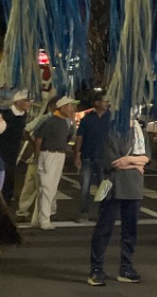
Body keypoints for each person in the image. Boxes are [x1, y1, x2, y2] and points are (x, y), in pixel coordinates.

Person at [87, 113, 150, 285]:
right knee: (104, 229)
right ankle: (96, 269)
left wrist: (129, 160)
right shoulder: (112, 129)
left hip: (134, 187)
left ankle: (126, 267)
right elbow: (114, 162)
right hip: (114, 186)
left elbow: (146, 158)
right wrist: (137, 163)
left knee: (130, 231)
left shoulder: (140, 131)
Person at [32, 95, 77, 230]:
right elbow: (38, 139)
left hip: (59, 155)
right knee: (47, 188)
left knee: (49, 188)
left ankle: (38, 218)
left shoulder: (66, 122)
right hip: (48, 154)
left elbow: (68, 136)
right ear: (62, 107)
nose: (72, 108)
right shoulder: (49, 121)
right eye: (69, 106)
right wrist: (37, 155)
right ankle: (44, 219)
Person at [15, 98, 57, 221]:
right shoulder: (45, 119)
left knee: (44, 183)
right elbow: (26, 130)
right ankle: (25, 211)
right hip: (40, 155)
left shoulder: (62, 120)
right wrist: (34, 146)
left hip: (50, 155)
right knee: (34, 183)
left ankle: (48, 210)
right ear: (52, 106)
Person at [75, 90, 112, 222]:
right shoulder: (87, 118)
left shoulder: (111, 118)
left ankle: (103, 213)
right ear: (96, 103)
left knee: (104, 188)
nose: (107, 103)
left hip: (104, 157)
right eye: (105, 101)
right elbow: (80, 137)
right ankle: (83, 213)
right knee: (85, 187)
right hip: (88, 156)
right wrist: (77, 155)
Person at [0, 90, 33, 204]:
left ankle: (7, 198)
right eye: (26, 101)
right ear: (18, 102)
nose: (29, 104)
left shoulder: (23, 116)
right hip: (1, 148)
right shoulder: (5, 114)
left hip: (14, 149)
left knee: (11, 173)